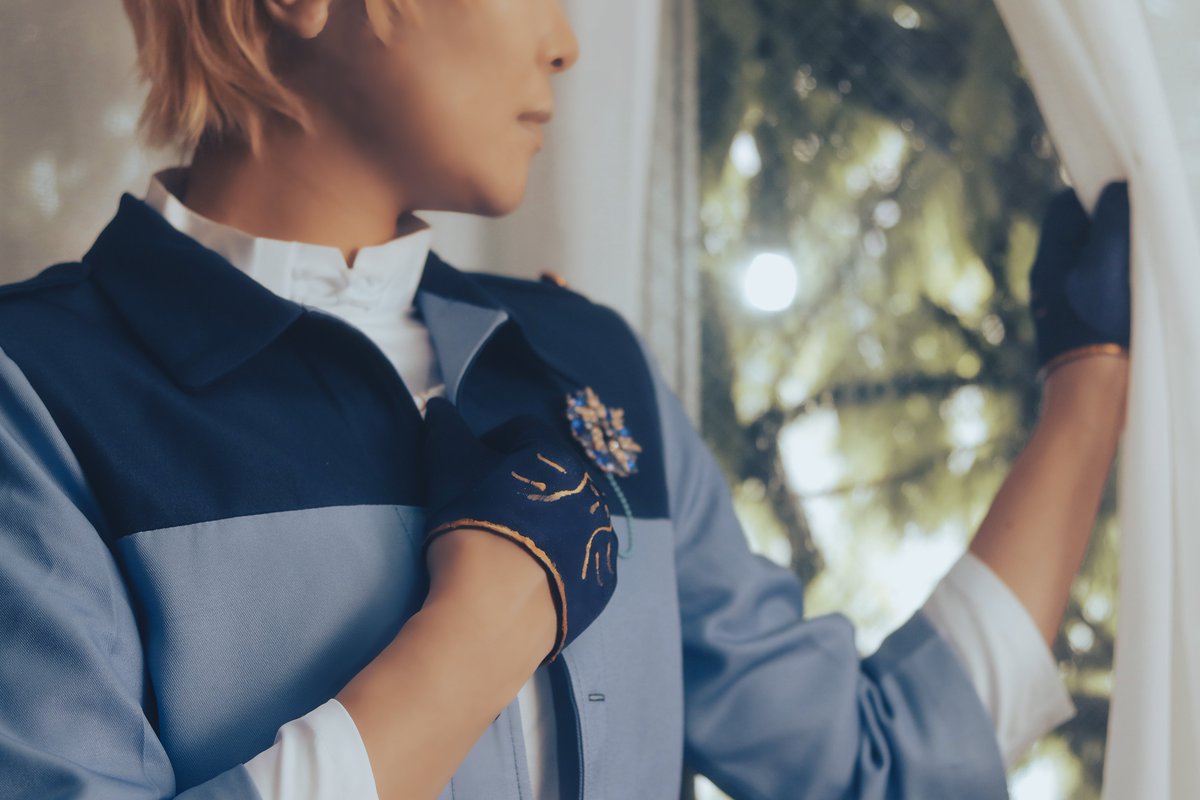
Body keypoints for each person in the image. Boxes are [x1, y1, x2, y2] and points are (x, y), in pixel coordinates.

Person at [0, 0, 1131, 798]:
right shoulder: (36, 393)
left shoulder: (588, 371)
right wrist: (479, 634)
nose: (567, 41)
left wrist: (1087, 391)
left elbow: (879, 766)